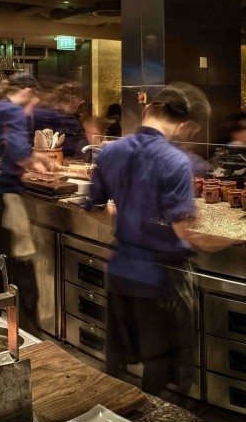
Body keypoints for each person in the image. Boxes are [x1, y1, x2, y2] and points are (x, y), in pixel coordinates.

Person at [86, 83, 237, 395]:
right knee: (161, 363)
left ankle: (116, 412)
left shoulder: (110, 151)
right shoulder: (175, 161)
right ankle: (153, 416)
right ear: (182, 124)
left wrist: (129, 214)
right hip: (161, 280)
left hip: (120, 271)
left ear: (147, 109)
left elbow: (97, 208)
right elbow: (184, 232)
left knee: (119, 358)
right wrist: (227, 241)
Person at [0, 73, 53, 338]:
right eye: (34, 101)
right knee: (20, 265)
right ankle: (27, 332)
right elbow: (20, 152)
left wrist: (32, 159)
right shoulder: (13, 111)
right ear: (28, 91)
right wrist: (37, 160)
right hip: (10, 196)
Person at [31, 83, 88, 157]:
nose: (81, 103)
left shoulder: (40, 112)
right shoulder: (66, 119)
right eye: (80, 99)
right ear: (73, 99)